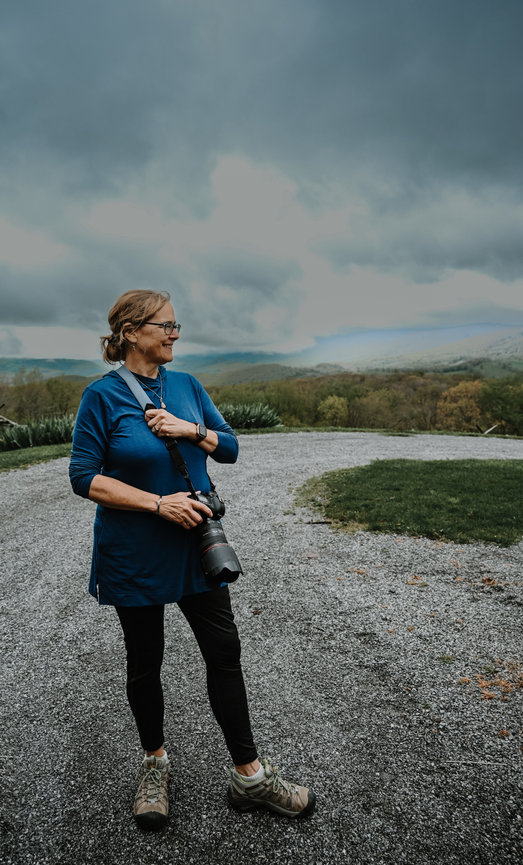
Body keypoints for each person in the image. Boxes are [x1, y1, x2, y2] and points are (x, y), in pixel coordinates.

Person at [69, 289, 316, 829]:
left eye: (176, 326)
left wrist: (191, 430)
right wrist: (156, 502)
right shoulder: (101, 397)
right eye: (167, 326)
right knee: (145, 660)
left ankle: (249, 777)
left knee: (224, 651)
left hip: (197, 547)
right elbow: (83, 477)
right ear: (131, 332)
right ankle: (154, 763)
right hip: (132, 553)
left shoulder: (187, 386)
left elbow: (228, 447)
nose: (175, 334)